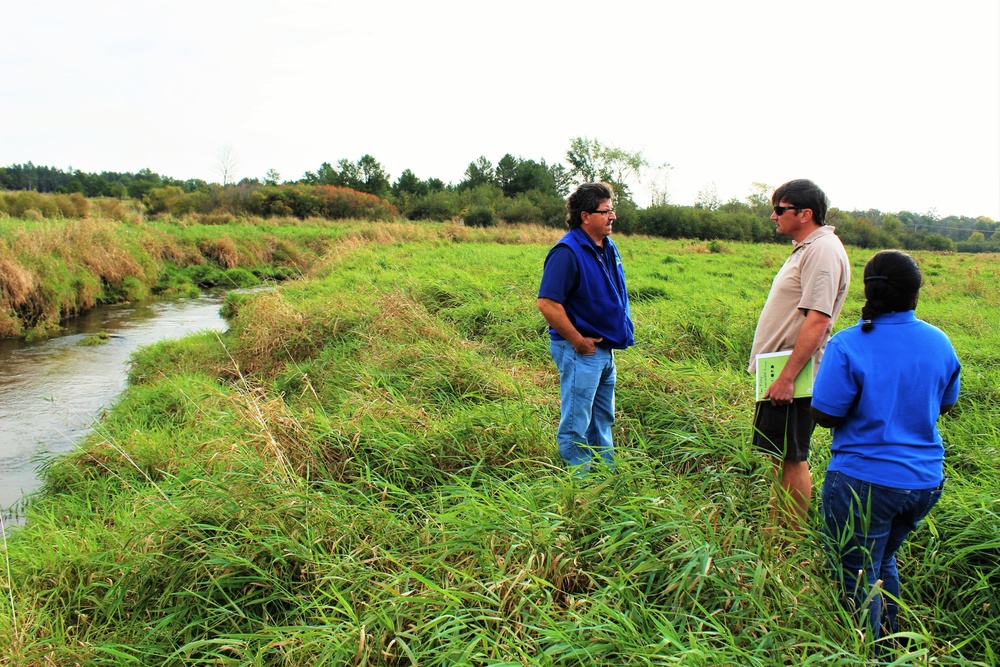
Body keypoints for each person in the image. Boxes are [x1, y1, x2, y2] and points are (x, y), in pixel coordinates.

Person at [811, 250, 960, 644]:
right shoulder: (939, 341)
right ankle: (893, 643)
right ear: (915, 294)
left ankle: (864, 649)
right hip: (925, 482)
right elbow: (945, 404)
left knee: (855, 572)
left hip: (863, 480)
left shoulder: (847, 344)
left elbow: (825, 414)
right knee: (881, 560)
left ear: (868, 289)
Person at [748, 179, 850, 532]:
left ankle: (791, 538)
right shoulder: (808, 248)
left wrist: (788, 377)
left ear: (805, 214)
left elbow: (818, 321)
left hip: (794, 376)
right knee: (782, 455)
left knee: (793, 457)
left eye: (780, 209)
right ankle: (780, 526)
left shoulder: (822, 250)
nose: (773, 216)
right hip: (783, 373)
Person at [537, 182, 634, 469]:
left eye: (612, 209)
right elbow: (547, 304)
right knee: (577, 421)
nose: (612, 216)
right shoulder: (567, 252)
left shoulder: (607, 246)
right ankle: (578, 482)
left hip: (606, 351)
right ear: (585, 216)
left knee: (603, 417)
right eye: (605, 211)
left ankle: (605, 473)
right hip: (581, 351)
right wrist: (579, 342)